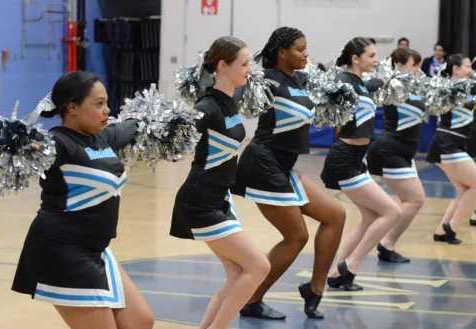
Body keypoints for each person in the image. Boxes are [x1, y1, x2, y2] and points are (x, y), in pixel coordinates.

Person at [11, 71, 155, 329]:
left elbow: (131, 126)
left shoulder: (102, 138)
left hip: (95, 250)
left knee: (140, 321)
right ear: (73, 107)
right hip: (61, 251)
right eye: (98, 104)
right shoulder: (57, 143)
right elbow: (25, 147)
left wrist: (150, 119)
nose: (107, 110)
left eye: (106, 103)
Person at [232, 26, 346, 320]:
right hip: (262, 163)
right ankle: (251, 299)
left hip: (284, 166)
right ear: (282, 53)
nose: (305, 54)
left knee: (335, 215)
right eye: (299, 49)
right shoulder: (268, 79)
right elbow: (236, 89)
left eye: (306, 48)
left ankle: (315, 289)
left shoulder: (301, 79)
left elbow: (336, 86)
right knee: (296, 237)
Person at [169, 36, 271, 329]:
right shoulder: (209, 107)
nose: (249, 69)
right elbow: (181, 128)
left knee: (240, 273)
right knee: (258, 266)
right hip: (200, 200)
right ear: (222, 66)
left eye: (250, 62)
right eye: (244, 63)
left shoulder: (231, 99)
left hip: (219, 199)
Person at [321, 37, 401, 291]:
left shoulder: (359, 83)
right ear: (355, 59)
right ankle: (351, 265)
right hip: (346, 158)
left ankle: (336, 273)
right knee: (392, 212)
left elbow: (374, 84)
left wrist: (388, 80)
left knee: (370, 217)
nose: (376, 60)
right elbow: (330, 92)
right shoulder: (344, 82)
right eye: (371, 55)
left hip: (358, 159)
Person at [366, 48, 426, 263]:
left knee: (412, 201)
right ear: (399, 66)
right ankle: (385, 244)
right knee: (415, 199)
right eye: (414, 64)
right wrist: (383, 78)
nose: (417, 69)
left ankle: (385, 245)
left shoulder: (412, 88)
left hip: (404, 154)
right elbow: (371, 87)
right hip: (389, 150)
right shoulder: (392, 86)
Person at [427, 54, 476, 244]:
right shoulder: (456, 87)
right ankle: (452, 226)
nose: (470, 70)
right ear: (455, 69)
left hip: (449, 143)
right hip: (447, 143)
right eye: (467, 67)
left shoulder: (462, 86)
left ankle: (441, 231)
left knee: (464, 189)